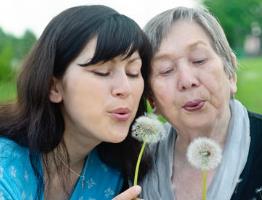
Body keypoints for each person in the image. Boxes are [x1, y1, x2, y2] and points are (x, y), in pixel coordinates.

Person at [0, 5, 152, 200]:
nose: (125, 88)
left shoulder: (118, 176)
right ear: (53, 87)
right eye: (102, 71)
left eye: (133, 72)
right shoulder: (5, 162)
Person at [139, 6, 262, 200]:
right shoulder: (135, 167)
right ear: (151, 98)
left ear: (230, 74)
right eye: (166, 70)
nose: (187, 80)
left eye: (199, 60)